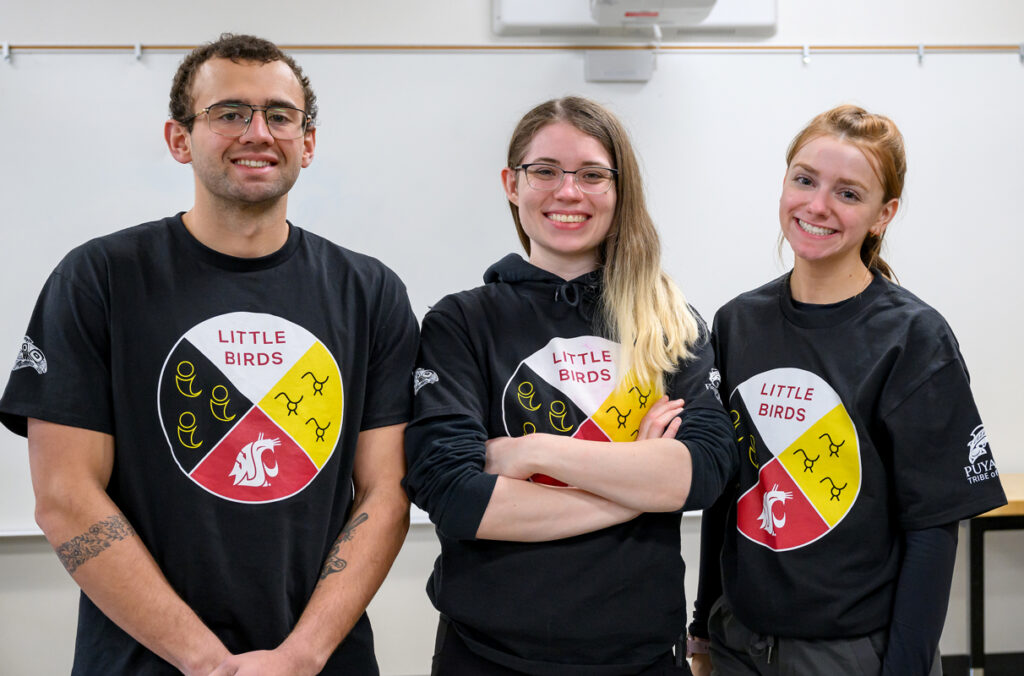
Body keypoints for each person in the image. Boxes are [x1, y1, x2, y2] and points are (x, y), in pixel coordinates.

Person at [0, 34, 418, 675]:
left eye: (280, 115)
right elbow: (65, 495)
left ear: (307, 141)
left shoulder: (370, 292)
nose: (258, 131)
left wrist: (301, 657)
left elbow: (385, 492)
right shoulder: (99, 279)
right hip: (146, 663)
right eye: (229, 113)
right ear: (179, 139)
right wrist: (209, 665)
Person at [403, 96, 737, 675]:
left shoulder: (667, 320)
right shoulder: (460, 323)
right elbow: (454, 497)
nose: (568, 192)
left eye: (591, 175)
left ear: (618, 188)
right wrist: (637, 477)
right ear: (512, 183)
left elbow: (703, 472)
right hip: (486, 657)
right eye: (546, 171)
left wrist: (531, 452)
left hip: (641, 658)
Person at [687, 105, 1007, 676]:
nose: (817, 205)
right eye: (804, 180)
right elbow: (727, 491)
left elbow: (933, 529)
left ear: (883, 215)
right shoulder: (738, 322)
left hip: (854, 654)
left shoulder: (912, 337)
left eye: (848, 193)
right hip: (739, 641)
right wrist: (701, 634)